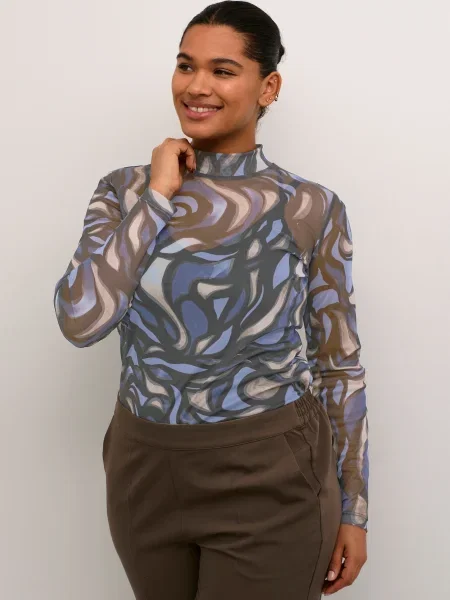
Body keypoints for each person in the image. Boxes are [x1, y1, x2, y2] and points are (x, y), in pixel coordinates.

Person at [53, 1, 368, 598]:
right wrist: (158, 195)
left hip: (270, 474)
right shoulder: (123, 191)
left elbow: (339, 363)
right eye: (185, 65)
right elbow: (80, 320)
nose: (196, 86)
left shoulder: (309, 206)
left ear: (268, 87)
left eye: (223, 70)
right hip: (144, 469)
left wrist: (355, 507)